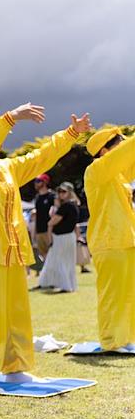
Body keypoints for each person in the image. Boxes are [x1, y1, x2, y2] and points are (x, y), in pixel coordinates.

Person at [0, 104, 89, 392]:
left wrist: (69, 135)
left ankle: (16, 369)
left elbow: (39, 158)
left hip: (11, 250)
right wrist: (10, 118)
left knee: (17, 312)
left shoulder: (5, 168)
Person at [83, 126, 135, 351]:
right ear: (104, 151)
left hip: (126, 239)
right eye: (118, 144)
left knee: (129, 293)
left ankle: (128, 338)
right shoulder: (96, 170)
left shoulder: (119, 176)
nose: (122, 148)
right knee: (113, 294)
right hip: (108, 241)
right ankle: (112, 340)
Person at [36, 182, 80, 293]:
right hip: (67, 237)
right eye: (59, 192)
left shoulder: (66, 206)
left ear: (70, 193)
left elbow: (51, 222)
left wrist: (56, 207)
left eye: (63, 192)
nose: (60, 194)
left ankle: (64, 285)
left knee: (59, 262)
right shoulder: (73, 205)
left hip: (62, 238)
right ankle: (49, 283)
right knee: (59, 261)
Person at [32, 173, 55, 264]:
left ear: (45, 182)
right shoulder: (37, 198)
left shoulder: (52, 196)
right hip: (39, 231)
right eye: (35, 181)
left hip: (49, 231)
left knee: (52, 252)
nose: (36, 183)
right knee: (43, 254)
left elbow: (56, 211)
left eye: (38, 181)